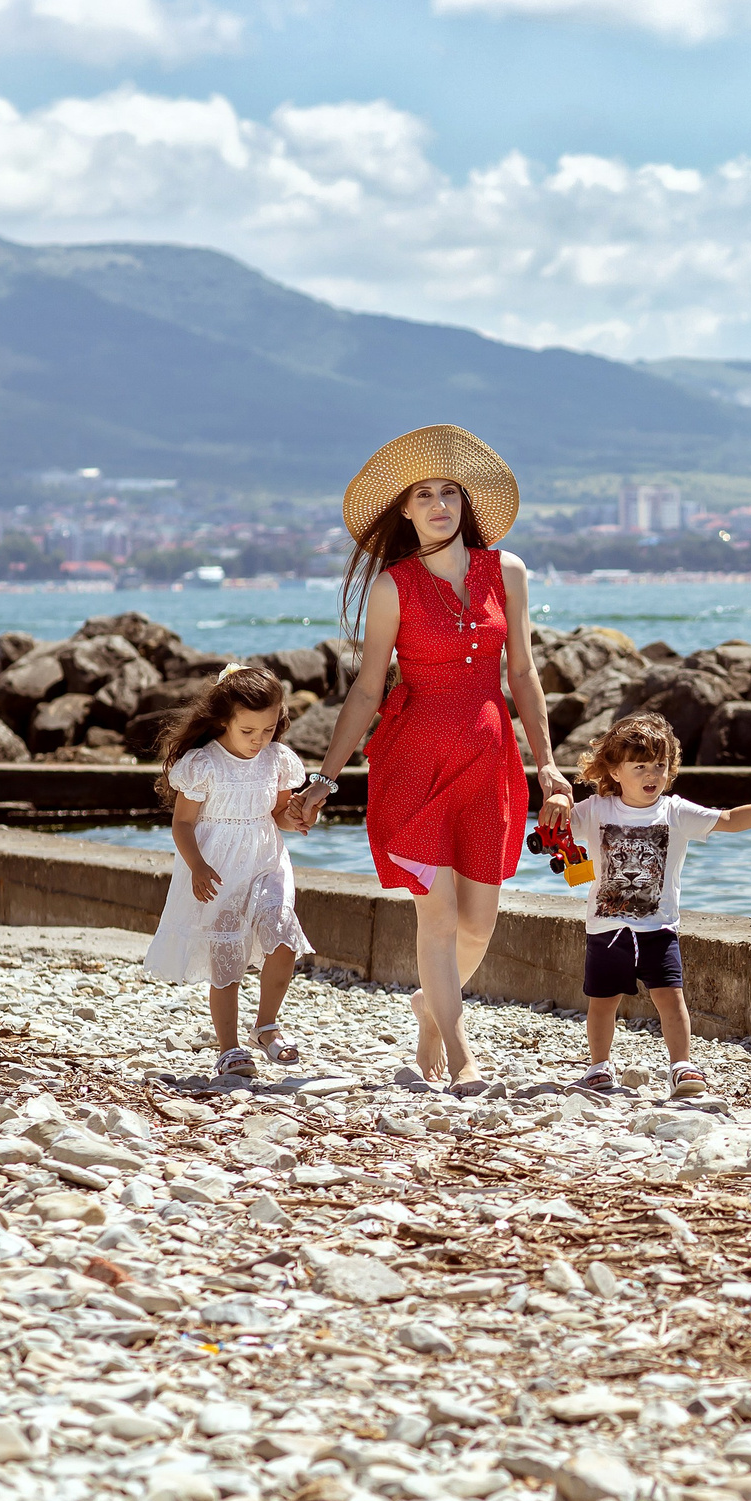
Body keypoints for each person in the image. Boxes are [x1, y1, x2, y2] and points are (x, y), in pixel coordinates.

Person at [294, 425, 572, 1094]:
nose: (441, 504)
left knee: (480, 922)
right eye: (425, 495)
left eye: (450, 492)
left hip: (489, 759)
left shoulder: (506, 572)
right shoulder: (393, 587)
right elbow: (367, 690)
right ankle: (458, 1050)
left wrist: (549, 767)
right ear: (406, 511)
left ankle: (430, 1008)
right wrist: (326, 777)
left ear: (464, 503)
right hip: (414, 763)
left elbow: (525, 674)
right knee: (438, 915)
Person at [565, 711, 751, 1099]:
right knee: (602, 1003)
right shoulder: (594, 810)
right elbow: (557, 826)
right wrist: (556, 800)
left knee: (671, 999)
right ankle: (598, 1066)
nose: (652, 775)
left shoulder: (674, 812)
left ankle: (681, 1065)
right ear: (614, 769)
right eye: (640, 766)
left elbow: (725, 819)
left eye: (660, 765)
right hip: (606, 929)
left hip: (659, 929)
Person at [144, 665, 317, 1074]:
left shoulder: (276, 760)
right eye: (248, 731)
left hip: (267, 862)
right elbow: (183, 824)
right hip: (217, 870)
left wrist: (296, 819)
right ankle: (229, 1047)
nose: (259, 740)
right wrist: (198, 866)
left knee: (283, 938)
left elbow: (277, 813)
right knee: (227, 958)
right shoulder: (203, 764)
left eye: (269, 729)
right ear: (224, 720)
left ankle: (266, 1025)